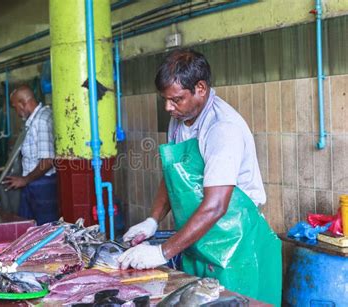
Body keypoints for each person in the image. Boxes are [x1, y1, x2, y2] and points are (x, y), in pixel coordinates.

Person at [118, 50, 282, 306]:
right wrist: (152, 219)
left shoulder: (221, 128)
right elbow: (173, 174)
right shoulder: (181, 118)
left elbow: (216, 205)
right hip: (198, 239)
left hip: (234, 246)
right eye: (165, 99)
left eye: (176, 100)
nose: (168, 107)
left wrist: (162, 252)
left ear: (201, 88)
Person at [1, 85, 58, 225]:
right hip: (33, 182)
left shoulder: (41, 120)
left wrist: (25, 179)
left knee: (44, 228)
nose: (16, 112)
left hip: (42, 184)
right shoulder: (32, 120)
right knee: (27, 227)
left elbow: (48, 160)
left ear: (22, 103)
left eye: (15, 107)